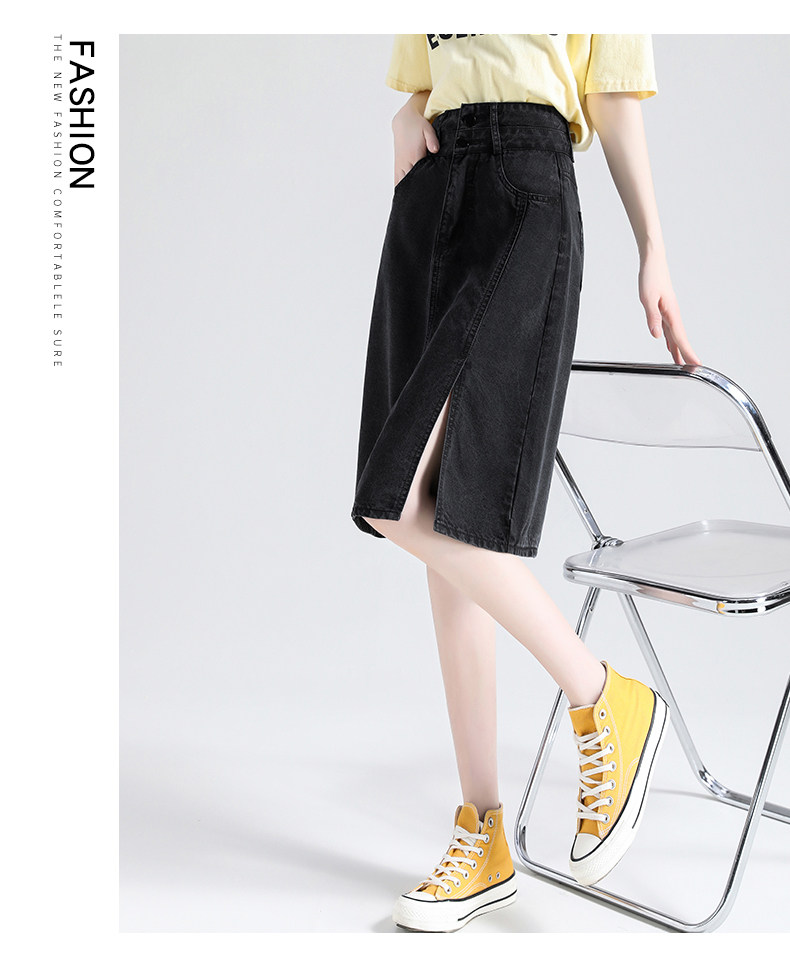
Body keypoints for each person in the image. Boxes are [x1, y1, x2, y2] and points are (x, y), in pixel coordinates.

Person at [350, 34, 701, 933]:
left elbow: (611, 94)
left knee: (400, 501)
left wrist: (653, 244)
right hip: (435, 190)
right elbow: (424, 72)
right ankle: (484, 832)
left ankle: (603, 694)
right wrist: (407, 115)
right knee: (444, 520)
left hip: (526, 183)